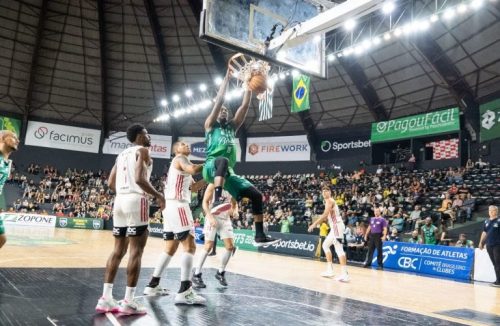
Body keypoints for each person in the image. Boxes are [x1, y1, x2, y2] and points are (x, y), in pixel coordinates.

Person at [202, 66, 278, 246]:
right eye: (222, 111)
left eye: (226, 112)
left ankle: (259, 236)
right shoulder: (210, 126)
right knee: (222, 160)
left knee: (257, 195)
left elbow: (244, 106)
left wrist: (247, 85)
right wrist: (227, 79)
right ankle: (218, 199)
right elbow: (220, 100)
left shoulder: (231, 127)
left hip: (227, 172)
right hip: (210, 168)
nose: (224, 112)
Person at [96, 124, 166, 315]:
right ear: (139, 136)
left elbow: (111, 183)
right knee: (136, 251)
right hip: (136, 200)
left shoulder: (121, 155)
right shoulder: (143, 151)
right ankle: (129, 301)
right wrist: (159, 195)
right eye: (146, 134)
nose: (149, 136)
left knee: (117, 251)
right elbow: (140, 179)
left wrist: (124, 192)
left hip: (119, 201)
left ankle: (106, 299)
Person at [143, 141, 206, 304]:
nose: (187, 145)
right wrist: (210, 162)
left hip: (170, 207)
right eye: (183, 144)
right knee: (190, 246)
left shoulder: (182, 165)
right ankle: (185, 291)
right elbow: (192, 168)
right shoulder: (180, 159)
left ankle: (152, 285)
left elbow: (194, 188)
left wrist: (210, 178)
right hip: (178, 205)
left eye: (187, 144)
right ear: (176, 150)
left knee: (170, 248)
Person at [192, 184, 236, 288]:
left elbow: (234, 203)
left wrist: (235, 211)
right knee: (208, 246)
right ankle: (196, 274)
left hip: (225, 219)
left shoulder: (232, 187)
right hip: (212, 217)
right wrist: (210, 217)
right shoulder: (212, 185)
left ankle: (220, 272)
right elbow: (205, 203)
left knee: (230, 247)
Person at [308, 187, 349, 282]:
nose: (324, 193)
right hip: (334, 226)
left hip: (337, 226)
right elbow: (327, 216)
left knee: (339, 249)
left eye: (326, 191)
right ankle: (330, 270)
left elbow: (325, 214)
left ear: (330, 192)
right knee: (325, 245)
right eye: (323, 192)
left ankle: (345, 274)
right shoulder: (327, 202)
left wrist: (314, 224)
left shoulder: (330, 200)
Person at [0, 131, 20, 250]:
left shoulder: (6, 162)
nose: (17, 140)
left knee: (2, 239)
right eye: (13, 137)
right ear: (2, 138)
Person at [478, 205, 500, 287]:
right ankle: (498, 280)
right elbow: (484, 233)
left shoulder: (499, 220)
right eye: (489, 210)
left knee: (498, 263)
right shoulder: (486, 221)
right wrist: (481, 242)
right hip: (489, 245)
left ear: (496, 211)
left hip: (497, 245)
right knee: (495, 263)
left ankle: (499, 281)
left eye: (493, 210)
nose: (490, 212)